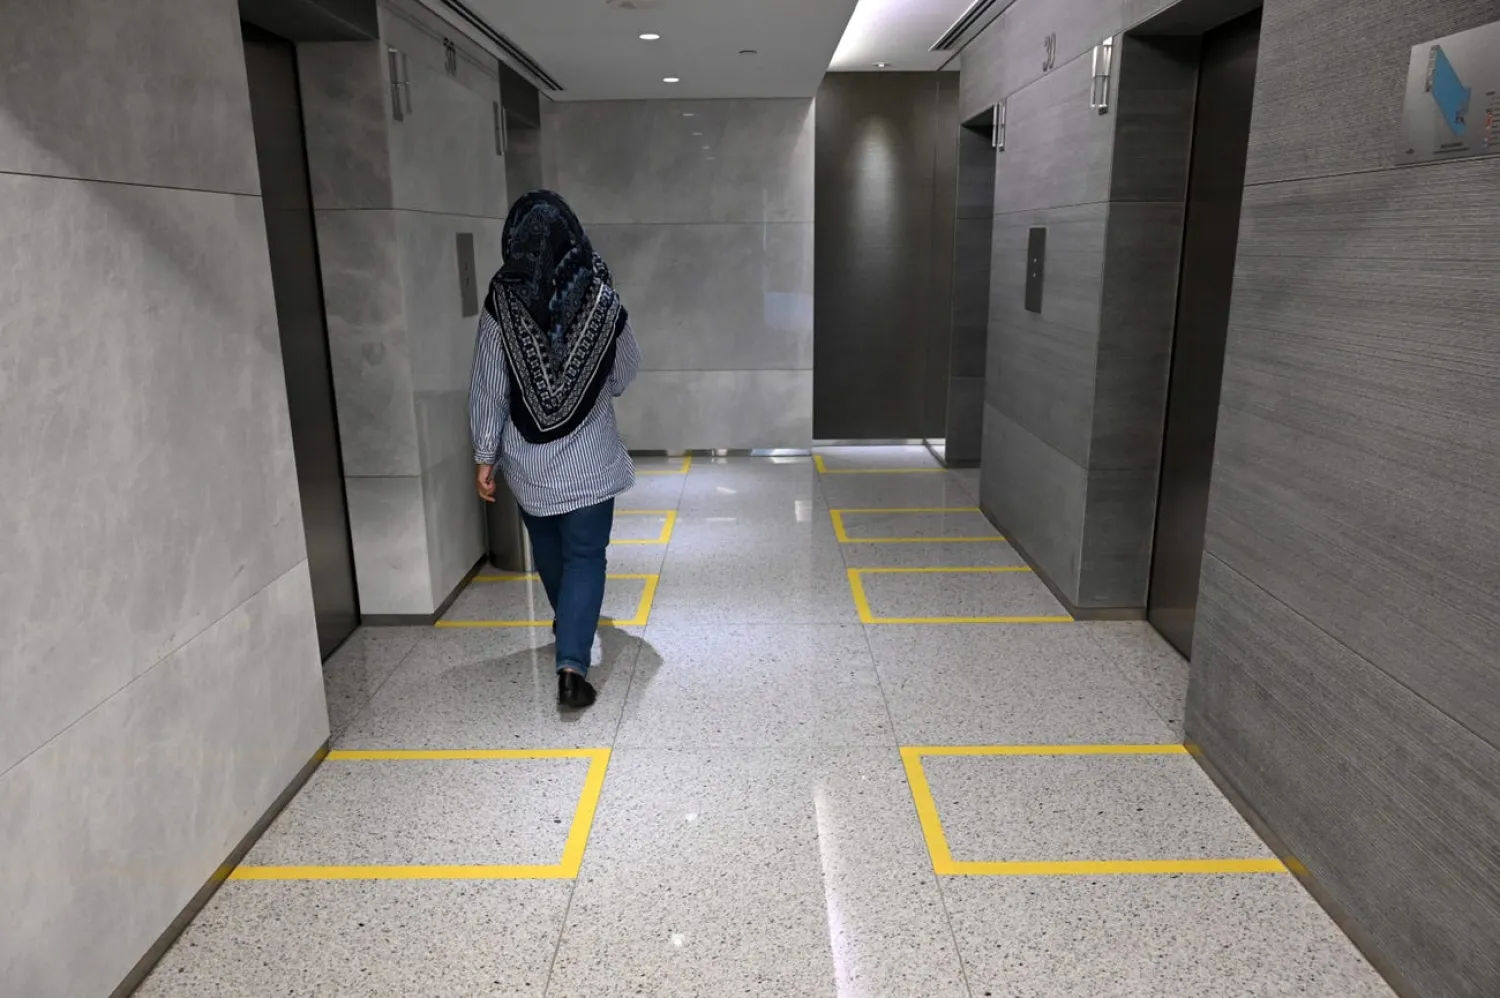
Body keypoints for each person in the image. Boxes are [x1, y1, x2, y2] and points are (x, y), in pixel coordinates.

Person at [469, 190, 639, 709]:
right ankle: (572, 665)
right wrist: (586, 384)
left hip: (528, 461)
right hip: (589, 457)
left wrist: (484, 455)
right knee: (586, 556)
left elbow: (487, 384)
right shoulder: (599, 289)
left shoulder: (502, 299)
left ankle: (571, 628)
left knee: (550, 552)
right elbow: (627, 369)